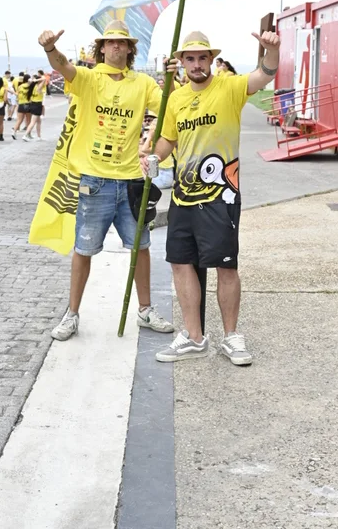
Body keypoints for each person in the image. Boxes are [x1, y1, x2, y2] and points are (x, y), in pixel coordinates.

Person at [143, 28, 280, 366]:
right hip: (182, 197)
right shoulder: (175, 99)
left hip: (221, 197)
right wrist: (154, 157)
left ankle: (231, 337)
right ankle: (194, 337)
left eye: (202, 58)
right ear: (182, 63)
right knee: (180, 263)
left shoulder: (229, 87)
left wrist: (271, 51)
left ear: (211, 60)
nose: (196, 64)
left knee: (225, 265)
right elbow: (168, 140)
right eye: (190, 58)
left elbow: (265, 74)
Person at [38, 22, 174, 342]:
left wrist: (171, 78)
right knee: (83, 249)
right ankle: (72, 314)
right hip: (94, 182)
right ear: (101, 48)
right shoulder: (89, 78)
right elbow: (64, 66)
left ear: (129, 49)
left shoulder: (142, 83)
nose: (115, 46)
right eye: (110, 42)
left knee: (141, 247)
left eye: (121, 43)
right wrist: (50, 48)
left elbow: (170, 107)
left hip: (131, 181)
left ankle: (145, 310)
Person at [22, 74, 48, 141]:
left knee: (39, 122)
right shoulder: (39, 86)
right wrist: (36, 80)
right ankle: (25, 135)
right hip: (37, 105)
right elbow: (44, 78)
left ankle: (39, 137)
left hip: (34, 104)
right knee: (33, 122)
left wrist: (35, 80)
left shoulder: (34, 86)